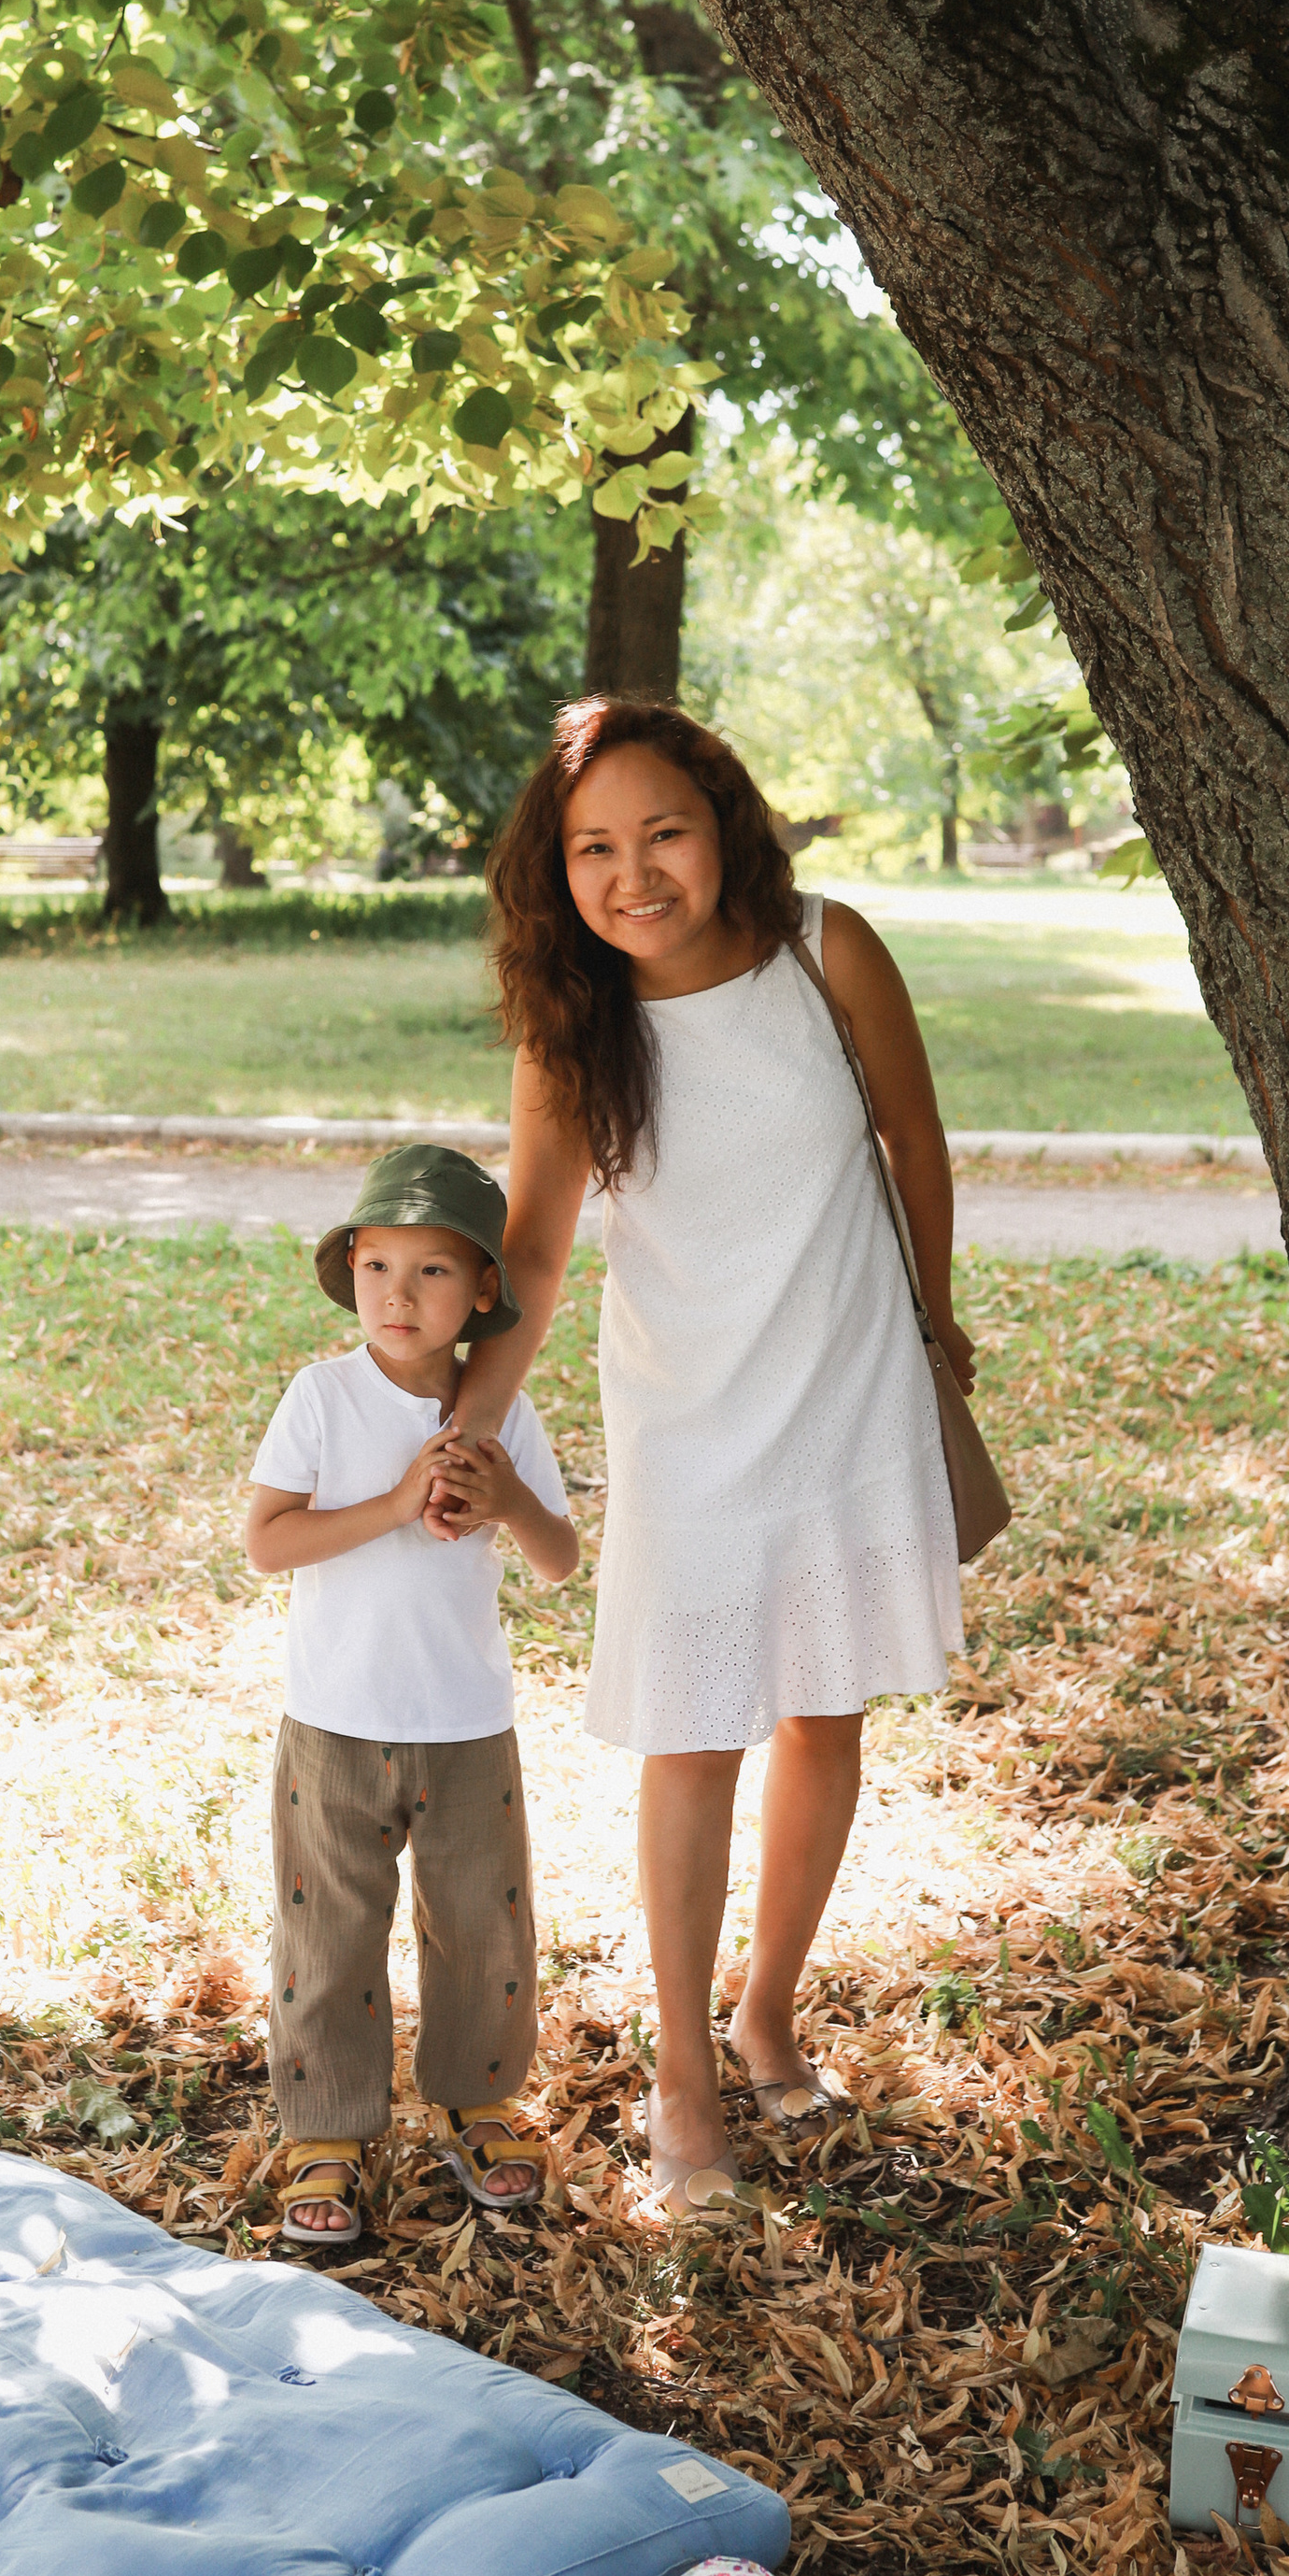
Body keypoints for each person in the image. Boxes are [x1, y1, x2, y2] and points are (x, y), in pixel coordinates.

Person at [439, 699, 974, 2217]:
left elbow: (916, 1144)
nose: (634, 874)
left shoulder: (829, 951)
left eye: (661, 830)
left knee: (822, 1715)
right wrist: (471, 1421)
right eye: (593, 850)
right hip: (689, 1420)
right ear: (559, 876)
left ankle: (767, 2017)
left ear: (722, 817)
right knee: (695, 1733)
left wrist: (934, 1324)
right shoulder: (575, 1027)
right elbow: (534, 1248)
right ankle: (685, 2077)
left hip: (849, 1393)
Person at [245, 1141, 580, 2247]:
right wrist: (394, 1504)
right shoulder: (323, 1398)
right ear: (348, 1273)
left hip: (464, 1722)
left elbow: (560, 1558)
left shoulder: (499, 1407)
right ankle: (327, 2129)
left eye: (431, 1270)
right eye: (375, 1264)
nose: (396, 1293)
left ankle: (480, 2103)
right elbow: (268, 1541)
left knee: (482, 1929)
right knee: (329, 1930)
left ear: (483, 1290)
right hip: (335, 1719)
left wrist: (509, 1498)